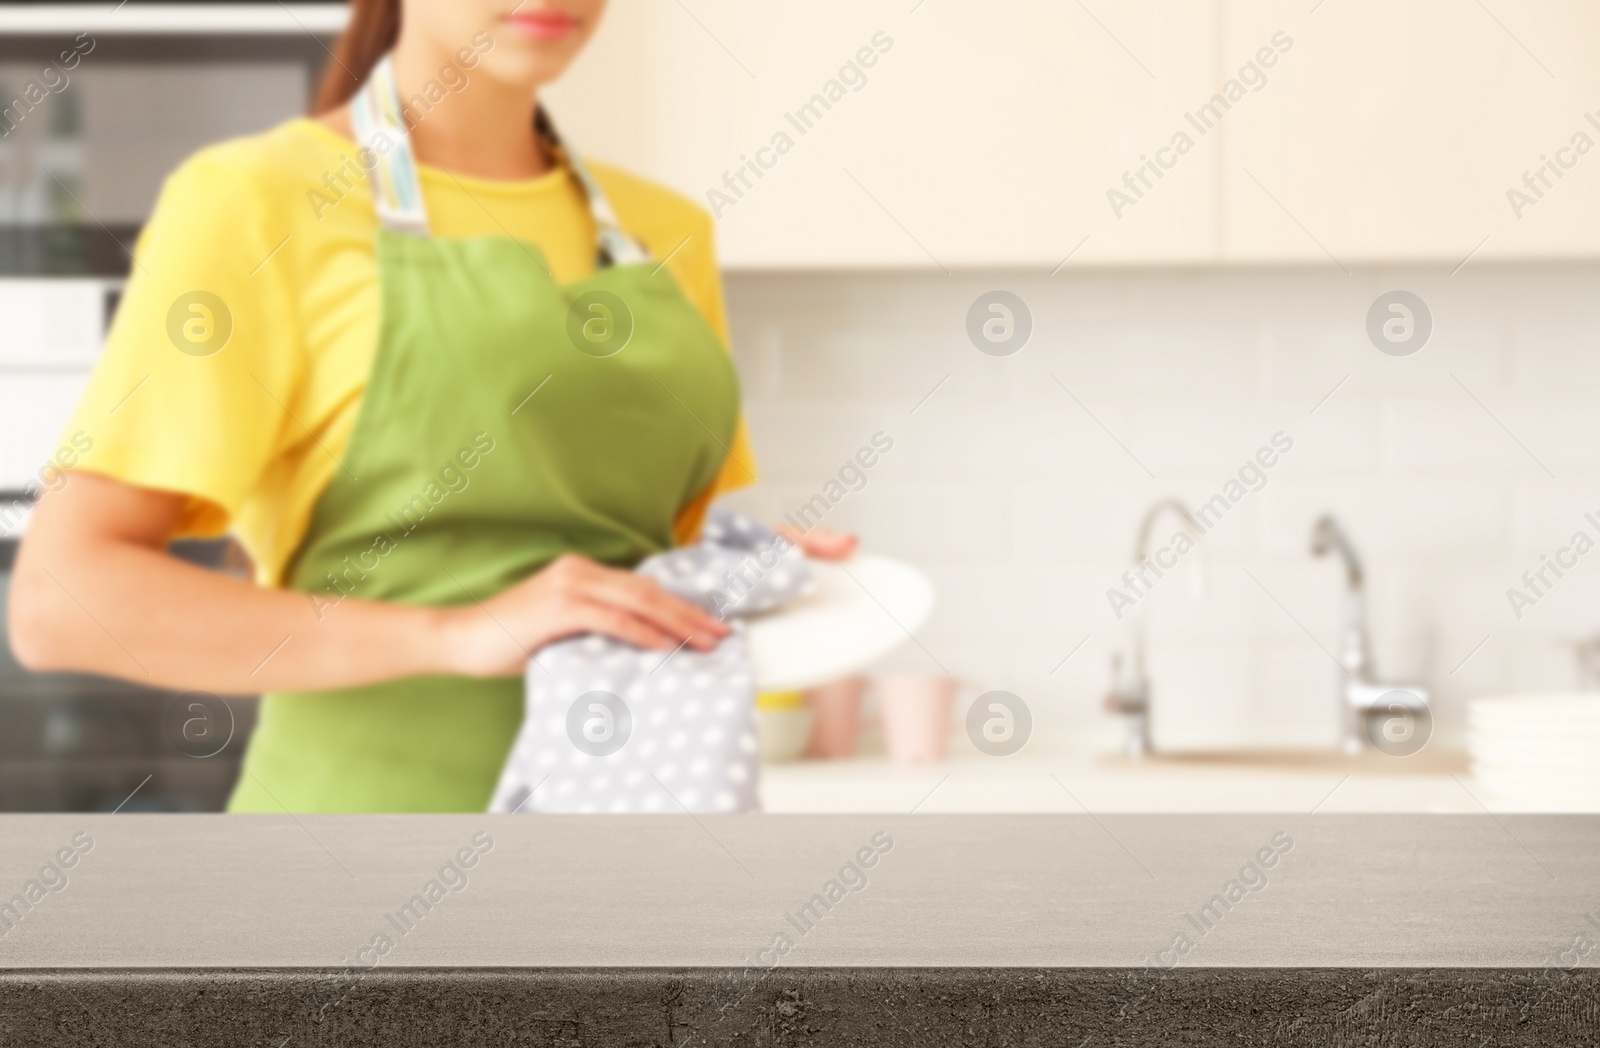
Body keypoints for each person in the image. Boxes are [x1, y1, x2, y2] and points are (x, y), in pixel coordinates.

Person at [7, 0, 853, 812]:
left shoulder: (667, 229)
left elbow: (621, 560)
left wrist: (735, 571)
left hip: (625, 846)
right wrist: (453, 634)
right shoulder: (255, 200)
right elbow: (60, 601)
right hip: (351, 870)